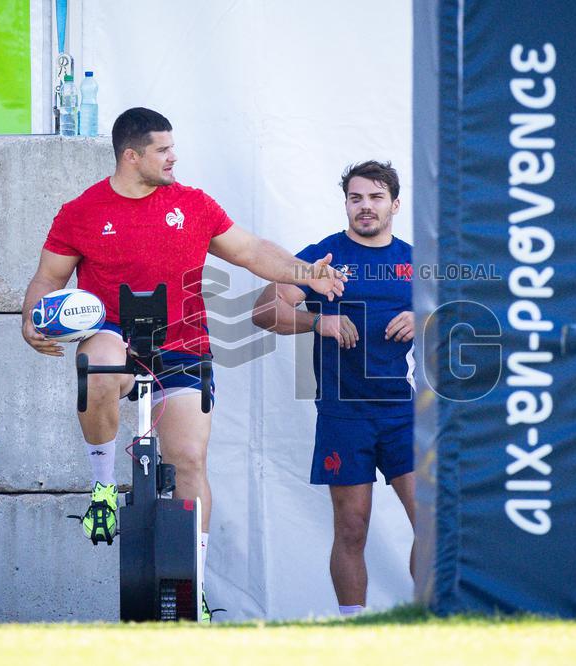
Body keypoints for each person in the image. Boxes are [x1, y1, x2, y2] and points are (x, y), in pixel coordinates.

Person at [21, 107, 346, 620]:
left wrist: (306, 273)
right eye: (163, 149)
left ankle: (193, 585)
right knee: (100, 361)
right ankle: (103, 486)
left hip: (183, 347)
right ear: (132, 156)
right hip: (114, 337)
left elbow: (250, 250)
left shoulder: (193, 204)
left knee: (190, 460)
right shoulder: (81, 211)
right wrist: (30, 318)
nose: (174, 157)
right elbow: (48, 278)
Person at [252, 160, 415, 616]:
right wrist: (316, 321)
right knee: (351, 528)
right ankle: (352, 628)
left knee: (435, 522)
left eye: (376, 197)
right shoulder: (324, 257)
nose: (365, 206)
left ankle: (426, 618)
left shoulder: (416, 262)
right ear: (345, 203)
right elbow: (263, 312)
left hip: (402, 412)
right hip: (344, 414)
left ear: (395, 205)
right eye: (356, 197)